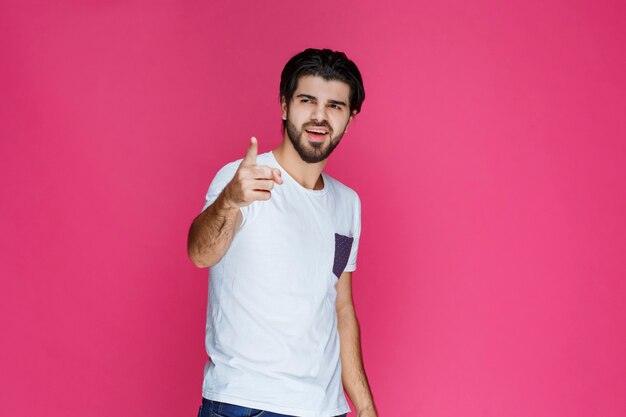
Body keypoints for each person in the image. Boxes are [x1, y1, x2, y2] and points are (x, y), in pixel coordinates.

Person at [188, 48, 378, 417]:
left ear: (350, 118)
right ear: (285, 106)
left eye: (335, 106)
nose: (319, 116)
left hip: (325, 409)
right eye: (307, 100)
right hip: (248, 404)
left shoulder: (347, 204)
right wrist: (229, 201)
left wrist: (366, 408)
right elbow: (200, 254)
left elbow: (341, 308)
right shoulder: (243, 179)